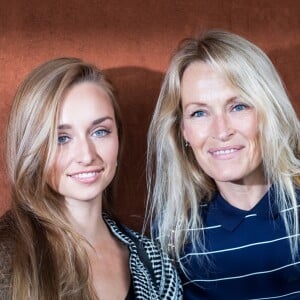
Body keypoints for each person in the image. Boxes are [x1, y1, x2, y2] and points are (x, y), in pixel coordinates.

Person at [0, 57, 182, 299]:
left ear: (118, 136)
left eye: (100, 132)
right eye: (61, 138)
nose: (86, 156)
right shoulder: (7, 252)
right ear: (32, 147)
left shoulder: (154, 262)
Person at [146, 30, 300, 299]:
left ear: (268, 112)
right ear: (183, 130)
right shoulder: (175, 233)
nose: (221, 130)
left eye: (238, 106)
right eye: (199, 113)